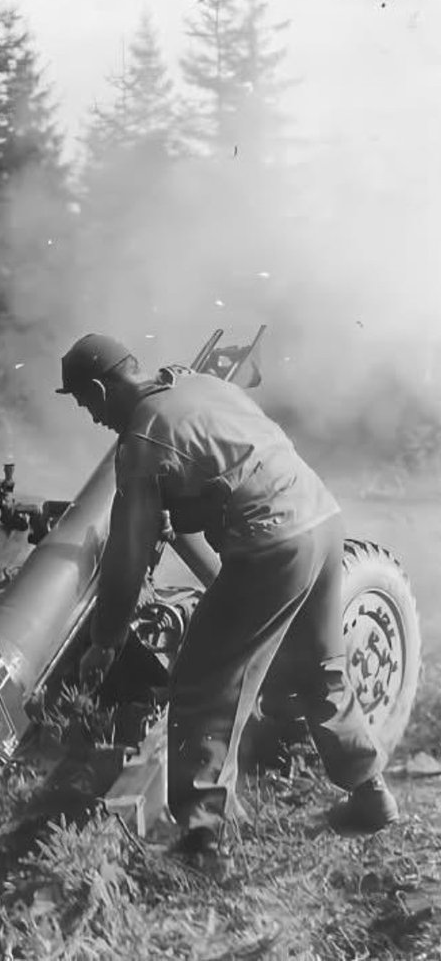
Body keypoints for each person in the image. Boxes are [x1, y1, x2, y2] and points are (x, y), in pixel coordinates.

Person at [57, 332, 398, 864]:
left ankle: (201, 840)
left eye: (84, 403)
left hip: (272, 546)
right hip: (321, 520)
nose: (92, 417)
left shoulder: (142, 443)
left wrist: (106, 639)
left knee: (201, 684)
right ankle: (370, 793)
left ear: (101, 389)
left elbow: (126, 557)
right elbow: (235, 462)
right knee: (319, 668)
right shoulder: (197, 383)